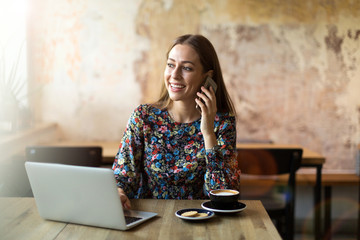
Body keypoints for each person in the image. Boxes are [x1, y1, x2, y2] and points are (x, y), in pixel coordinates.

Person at [112, 34, 241, 209]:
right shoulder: (143, 117)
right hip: (151, 222)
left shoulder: (222, 123)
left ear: (207, 77)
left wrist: (209, 133)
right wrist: (119, 192)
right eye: (171, 65)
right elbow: (122, 176)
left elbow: (223, 193)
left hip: (200, 222)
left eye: (186, 68)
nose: (174, 75)